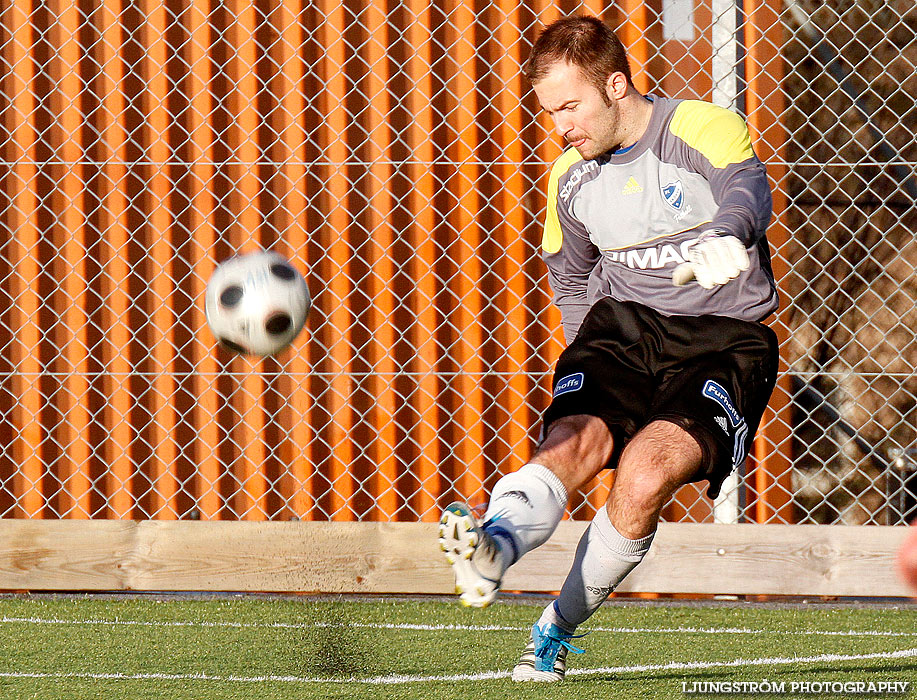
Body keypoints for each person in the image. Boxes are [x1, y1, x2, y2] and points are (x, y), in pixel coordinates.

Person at [438, 15, 781, 682]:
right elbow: (567, 275)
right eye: (549, 111)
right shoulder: (569, 178)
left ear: (616, 85)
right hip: (620, 332)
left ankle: (553, 628)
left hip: (724, 339)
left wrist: (730, 232)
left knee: (646, 476)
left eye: (570, 106)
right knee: (573, 442)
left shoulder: (698, 127)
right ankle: (493, 544)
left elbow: (747, 187)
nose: (559, 126)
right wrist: (589, 365)